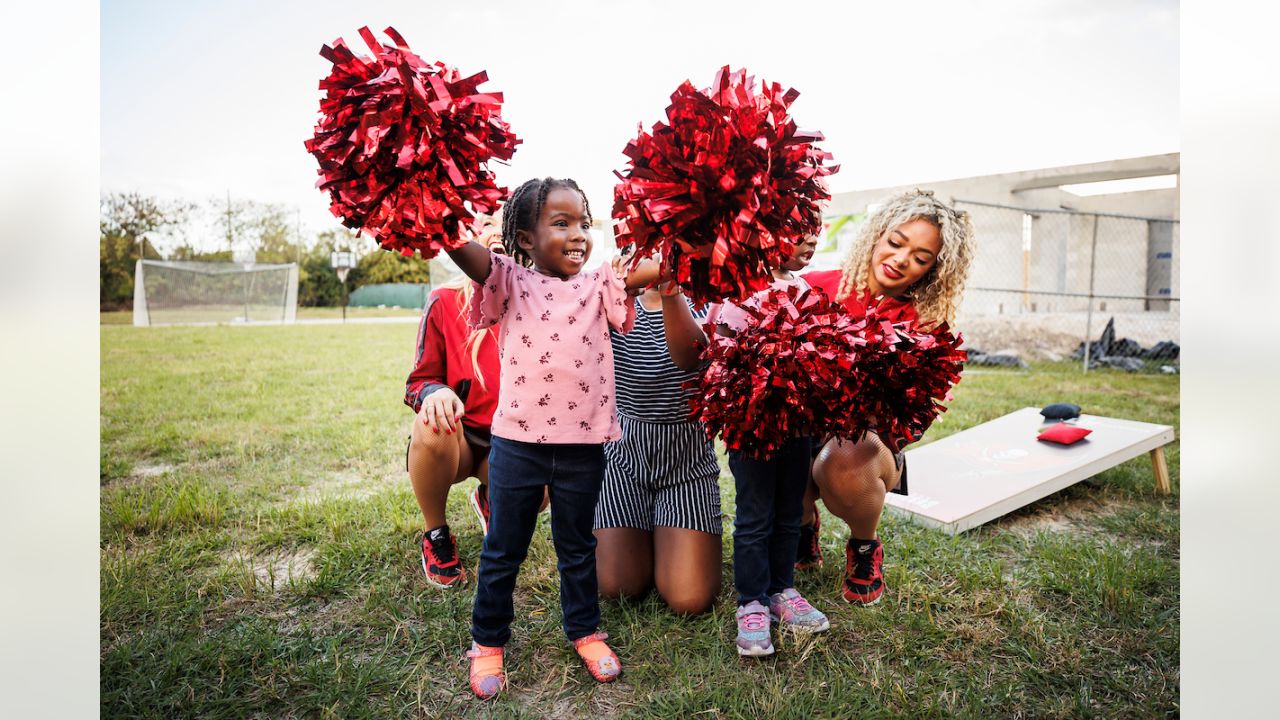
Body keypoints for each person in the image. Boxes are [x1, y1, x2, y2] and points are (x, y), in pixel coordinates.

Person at [445, 177, 659, 699]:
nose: (579, 234)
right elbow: (465, 252)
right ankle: (488, 641)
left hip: (584, 447)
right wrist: (434, 207)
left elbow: (657, 268)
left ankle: (584, 631)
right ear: (524, 237)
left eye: (584, 223)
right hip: (516, 446)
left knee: (576, 547)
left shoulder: (601, 283)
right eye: (561, 223)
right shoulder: (508, 279)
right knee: (504, 549)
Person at [798, 189, 975, 606]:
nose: (900, 260)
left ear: (933, 269)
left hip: (864, 446)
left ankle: (864, 548)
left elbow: (910, 419)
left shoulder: (924, 324)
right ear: (877, 235)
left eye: (920, 257)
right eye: (896, 243)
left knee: (842, 457)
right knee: (778, 450)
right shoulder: (812, 288)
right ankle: (802, 528)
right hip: (802, 431)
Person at [663, 235, 831, 657]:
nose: (809, 238)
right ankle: (751, 603)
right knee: (755, 515)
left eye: (815, 230)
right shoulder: (738, 290)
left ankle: (782, 591)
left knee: (790, 512)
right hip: (751, 426)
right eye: (798, 229)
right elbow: (718, 353)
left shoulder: (808, 289)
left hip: (796, 426)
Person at [593, 284, 723, 616]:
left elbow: (691, 356)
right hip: (623, 454)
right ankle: (646, 527)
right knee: (617, 587)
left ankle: (667, 528)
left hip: (686, 459)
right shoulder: (610, 290)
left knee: (690, 600)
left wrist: (670, 287)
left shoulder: (711, 298)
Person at [403, 215, 504, 589]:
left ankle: (494, 498)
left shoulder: (534, 303)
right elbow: (417, 382)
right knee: (430, 424)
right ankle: (436, 532)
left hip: (508, 442)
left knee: (544, 457)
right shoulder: (444, 301)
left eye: (507, 222)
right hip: (457, 438)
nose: (497, 230)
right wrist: (435, 392)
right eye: (489, 219)